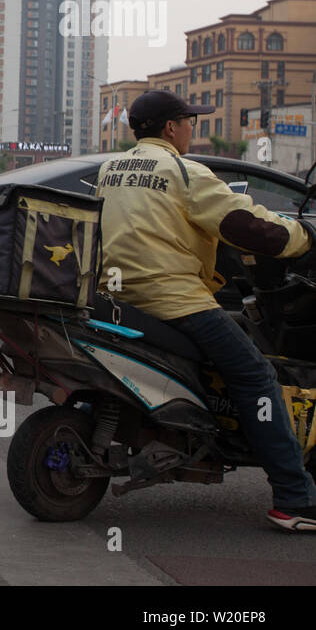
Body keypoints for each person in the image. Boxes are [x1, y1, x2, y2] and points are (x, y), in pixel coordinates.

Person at [97, 89, 316, 531]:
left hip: (115, 294)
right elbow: (245, 225)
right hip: (174, 299)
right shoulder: (184, 170)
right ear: (171, 127)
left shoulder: (111, 168)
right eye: (189, 121)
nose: (192, 129)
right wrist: (304, 237)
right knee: (256, 374)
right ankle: (294, 498)